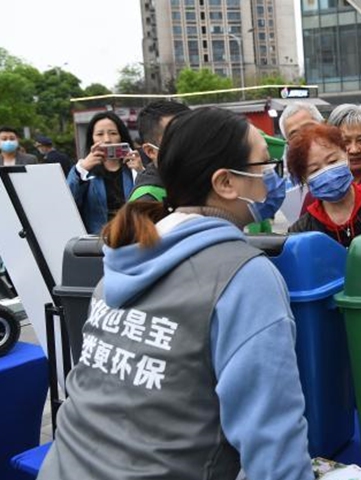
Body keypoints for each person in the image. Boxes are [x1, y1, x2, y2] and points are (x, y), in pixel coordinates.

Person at [38, 107, 313, 480]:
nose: (272, 175)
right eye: (264, 163)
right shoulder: (243, 276)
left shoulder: (125, 258)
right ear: (225, 183)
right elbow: (273, 442)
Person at [287, 123, 361, 247]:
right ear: (304, 179)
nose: (327, 173)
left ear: (345, 154)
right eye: (315, 170)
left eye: (332, 161)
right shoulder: (301, 231)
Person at [67, 112, 144, 234]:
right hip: (97, 244)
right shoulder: (83, 171)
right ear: (91, 138)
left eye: (113, 133)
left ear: (121, 136)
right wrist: (82, 169)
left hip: (133, 239)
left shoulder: (134, 168)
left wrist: (141, 172)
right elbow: (67, 203)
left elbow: (150, 203)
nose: (107, 140)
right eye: (99, 134)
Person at [129, 100, 191, 202]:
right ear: (151, 151)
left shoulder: (196, 181)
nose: (188, 142)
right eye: (176, 136)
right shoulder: (146, 201)